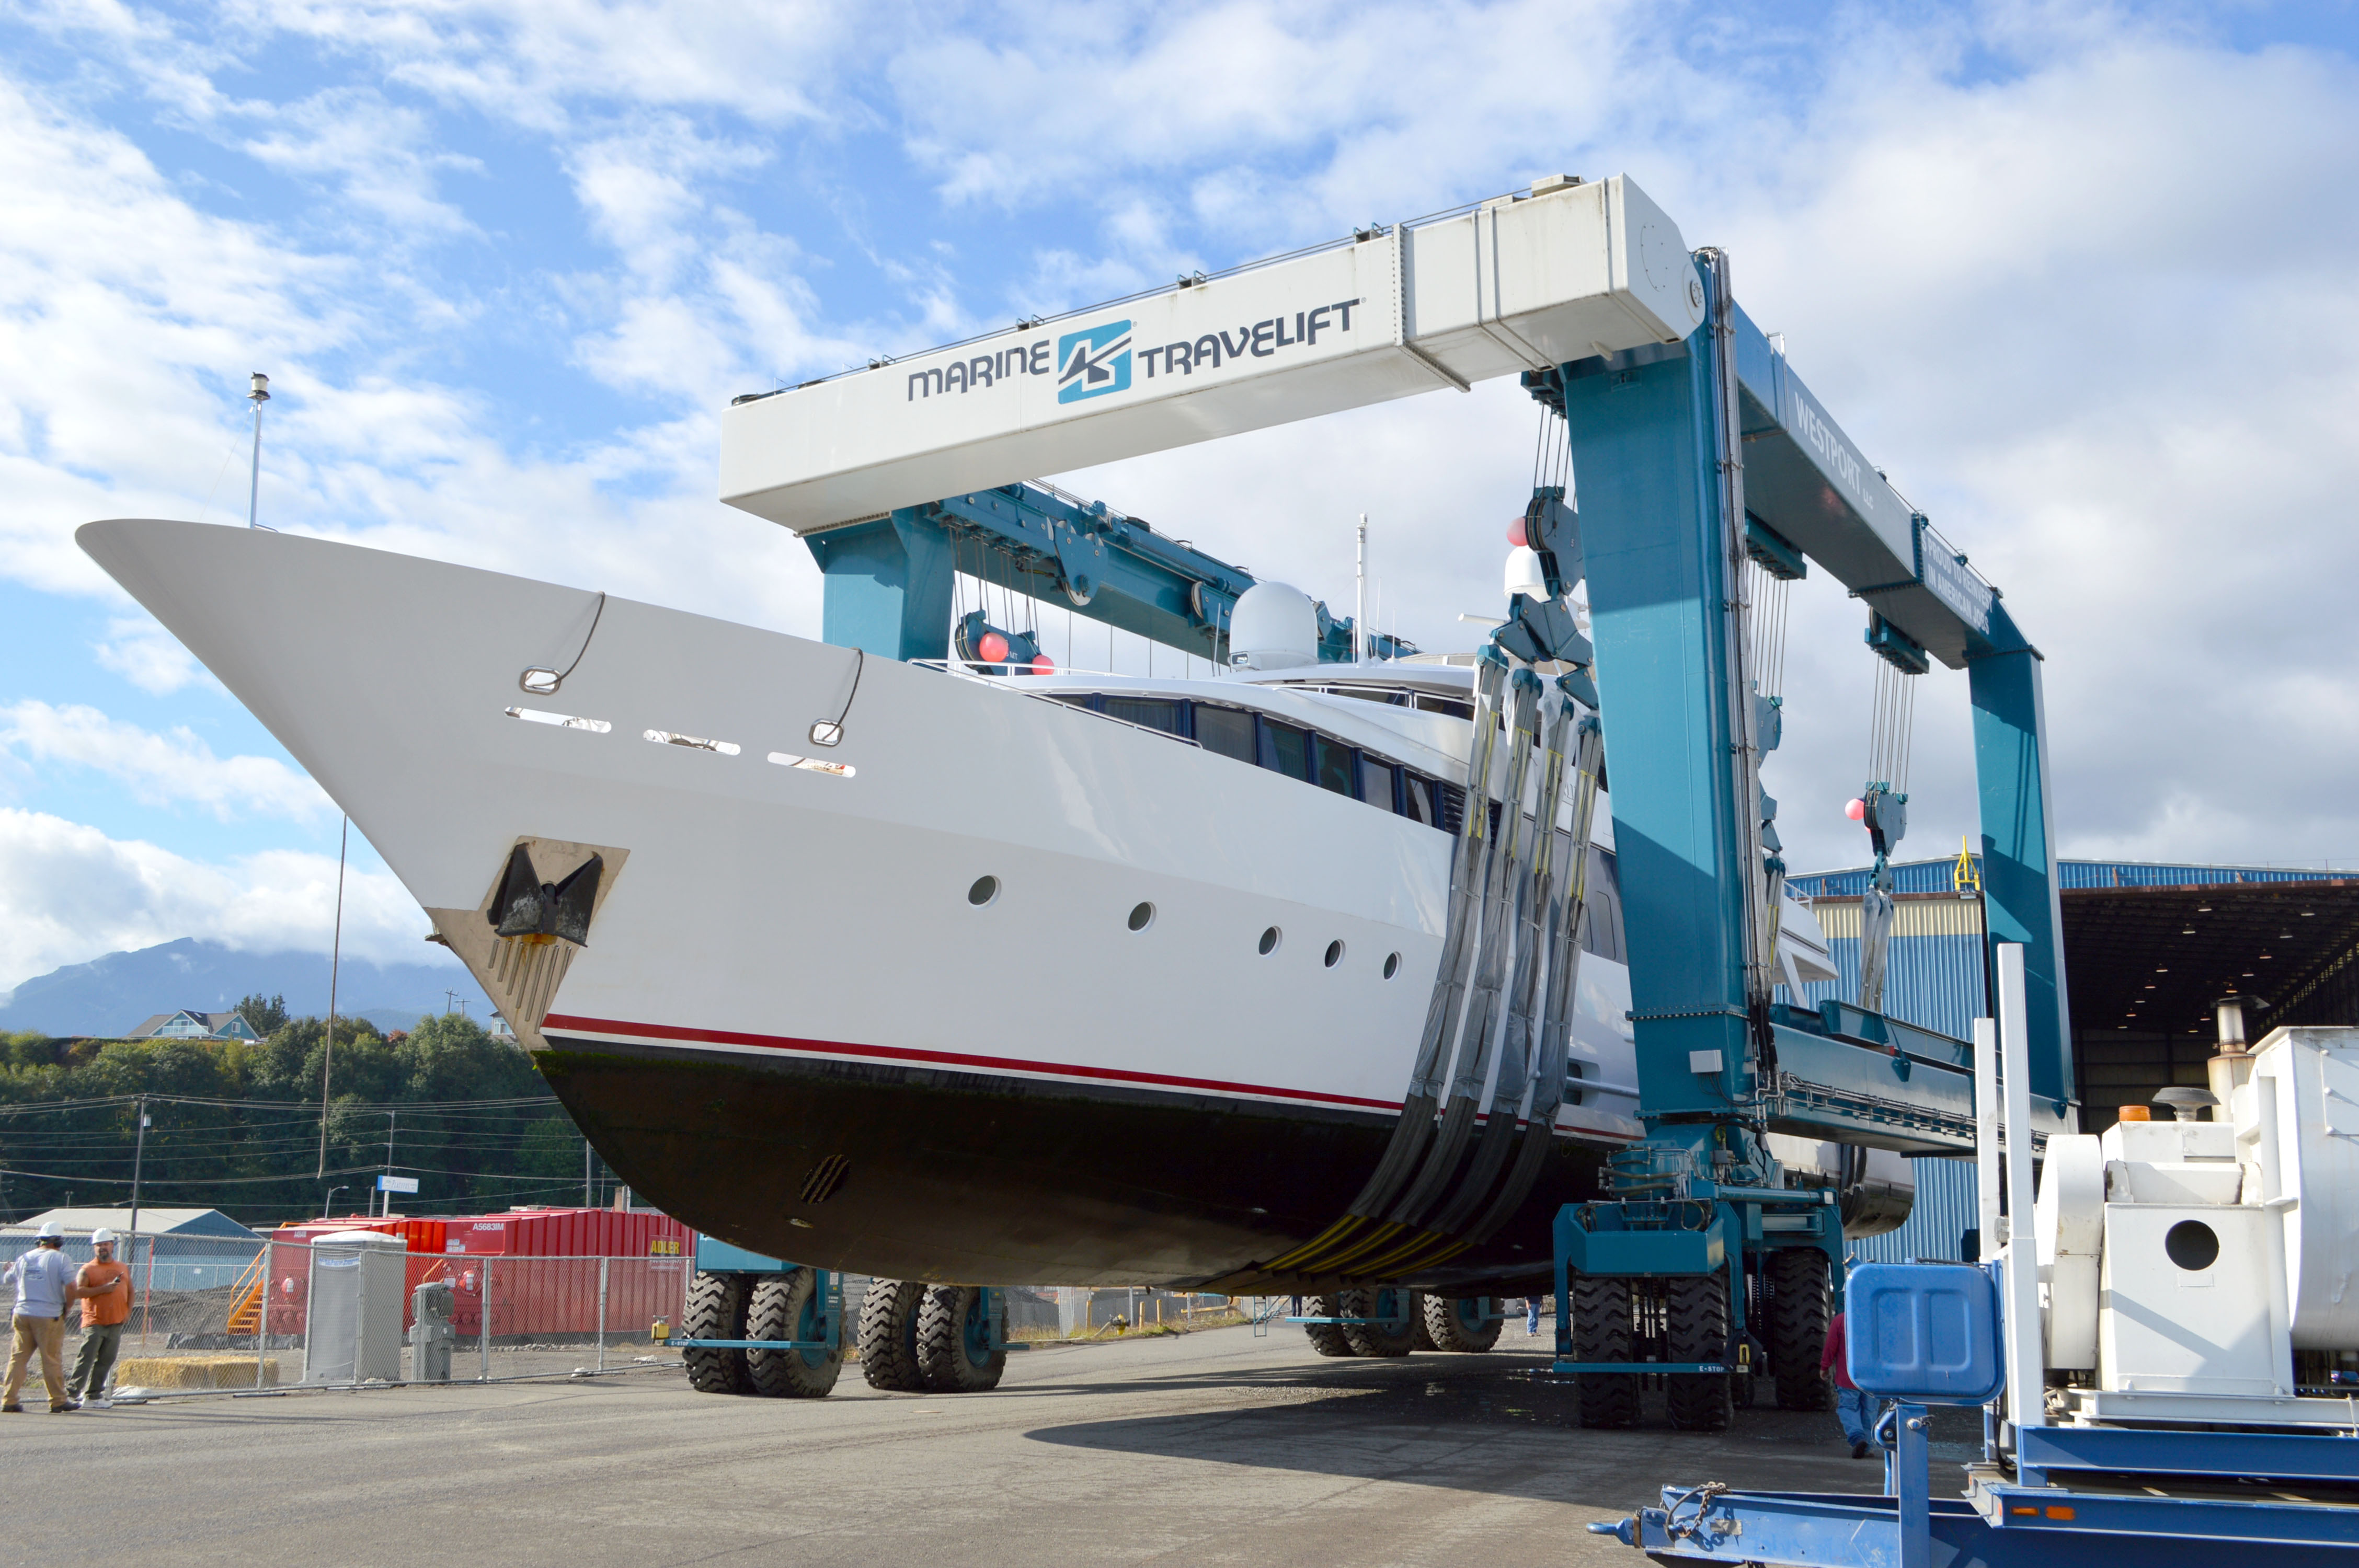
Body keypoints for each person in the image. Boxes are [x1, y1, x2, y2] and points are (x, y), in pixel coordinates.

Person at [5, 1220, 92, 1413]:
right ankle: (58, 1400)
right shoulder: (61, 1259)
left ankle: (9, 1399)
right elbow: (71, 1287)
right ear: (59, 1242)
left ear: (40, 1241)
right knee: (51, 1358)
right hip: (48, 1315)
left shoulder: (24, 1258)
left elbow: (8, 1278)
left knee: (18, 1358)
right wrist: (67, 1308)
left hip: (22, 1313)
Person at [66, 1227, 132, 1409]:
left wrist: (128, 1312)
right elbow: (78, 1292)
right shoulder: (87, 1270)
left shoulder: (122, 1267)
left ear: (113, 1246)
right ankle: (72, 1394)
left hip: (116, 1322)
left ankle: (94, 1396)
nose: (103, 1248)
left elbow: (131, 1291)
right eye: (99, 1245)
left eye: (106, 1244)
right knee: (86, 1358)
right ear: (94, 1248)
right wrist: (104, 1289)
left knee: (106, 1360)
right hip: (94, 1322)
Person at [1823, 1308, 1884, 1459]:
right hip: (1873, 1380)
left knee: (1848, 1409)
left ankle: (1857, 1438)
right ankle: (1868, 1447)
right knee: (1870, 1412)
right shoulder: (1878, 1319)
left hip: (1848, 1377)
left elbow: (1831, 1345)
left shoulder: (1841, 1320)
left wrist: (1825, 1366)